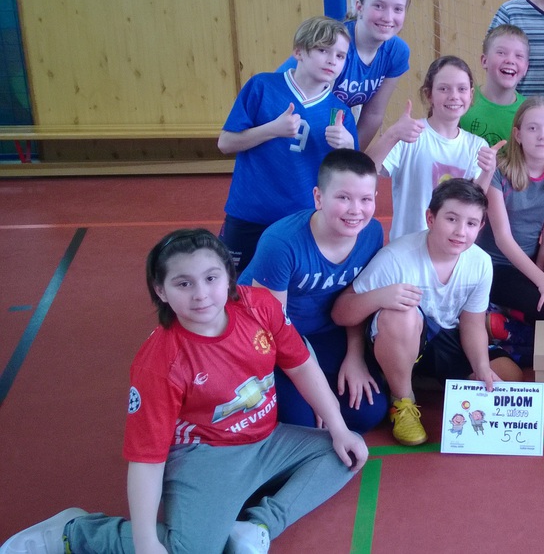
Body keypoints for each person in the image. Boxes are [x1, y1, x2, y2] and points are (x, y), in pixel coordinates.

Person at [0, 231, 367, 554]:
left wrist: (337, 426)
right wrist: (145, 541)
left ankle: (256, 526)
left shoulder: (258, 306)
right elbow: (146, 459)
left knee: (347, 453)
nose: (201, 294)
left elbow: (300, 364)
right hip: (206, 455)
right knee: (192, 551)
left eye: (211, 278)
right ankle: (76, 532)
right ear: (161, 290)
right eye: (183, 283)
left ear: (228, 277)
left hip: (266, 440)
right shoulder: (161, 361)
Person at [331, 179, 522, 446]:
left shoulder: (480, 262)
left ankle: (415, 378)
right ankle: (402, 400)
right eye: (451, 219)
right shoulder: (397, 257)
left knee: (508, 377)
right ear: (430, 218)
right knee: (402, 315)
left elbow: (472, 323)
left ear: (480, 226)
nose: (460, 231)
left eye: (470, 223)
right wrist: (379, 297)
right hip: (401, 336)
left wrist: (481, 367)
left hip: (444, 336)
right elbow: (341, 312)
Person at [239, 149, 388, 432]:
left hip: (324, 332)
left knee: (367, 412)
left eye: (365, 199)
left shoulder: (372, 234)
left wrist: (355, 356)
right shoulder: (281, 242)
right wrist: (317, 387)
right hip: (272, 337)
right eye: (343, 198)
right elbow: (272, 326)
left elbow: (354, 300)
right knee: (303, 422)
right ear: (318, 197)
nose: (356, 210)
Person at [218, 17, 355, 273]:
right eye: (322, 50)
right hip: (249, 213)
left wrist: (348, 147)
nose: (331, 60)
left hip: (302, 220)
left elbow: (349, 175)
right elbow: (225, 143)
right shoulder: (262, 86)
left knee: (286, 286)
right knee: (230, 283)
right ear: (298, 52)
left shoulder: (340, 112)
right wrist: (272, 130)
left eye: (340, 56)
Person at [365, 55, 503, 242]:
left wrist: (488, 171)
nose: (454, 96)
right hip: (407, 247)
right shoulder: (410, 134)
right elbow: (366, 171)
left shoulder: (476, 145)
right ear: (429, 94)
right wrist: (392, 134)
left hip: (451, 248)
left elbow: (473, 202)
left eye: (462, 89)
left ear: (471, 94)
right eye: (444, 89)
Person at [279, 0, 412, 147]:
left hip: (328, 133)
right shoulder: (334, 45)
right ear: (359, 6)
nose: (388, 17)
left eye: (398, 9)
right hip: (290, 128)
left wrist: (351, 156)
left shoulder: (397, 52)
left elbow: (373, 114)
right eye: (379, 6)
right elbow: (278, 98)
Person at [476, 97, 544, 324]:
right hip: (494, 265)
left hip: (528, 262)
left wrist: (541, 276)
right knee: (543, 307)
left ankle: (507, 312)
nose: (543, 136)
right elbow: (502, 238)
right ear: (518, 135)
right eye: (533, 128)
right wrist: (541, 281)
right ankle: (497, 314)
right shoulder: (499, 172)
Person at [460, 24, 531, 146]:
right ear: (484, 61)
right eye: (501, 53)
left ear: (525, 68)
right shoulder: (462, 101)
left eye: (518, 56)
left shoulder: (528, 112)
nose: (510, 60)